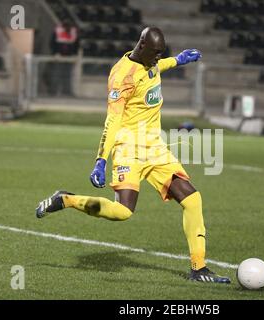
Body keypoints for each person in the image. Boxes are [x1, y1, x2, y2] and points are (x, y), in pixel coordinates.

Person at [36, 27, 231, 284]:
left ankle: (199, 268)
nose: (159, 57)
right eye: (156, 53)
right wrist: (100, 161)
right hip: (129, 147)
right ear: (142, 47)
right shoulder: (121, 77)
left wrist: (179, 59)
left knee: (193, 200)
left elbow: (156, 68)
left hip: (155, 148)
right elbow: (112, 122)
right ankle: (67, 199)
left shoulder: (150, 61)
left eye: (162, 53)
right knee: (123, 212)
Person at [46, 19, 79, 96]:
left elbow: (76, 44)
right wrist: (55, 53)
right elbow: (52, 43)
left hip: (69, 57)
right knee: (56, 74)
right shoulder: (57, 31)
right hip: (58, 57)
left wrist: (74, 54)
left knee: (68, 75)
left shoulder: (73, 32)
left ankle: (67, 92)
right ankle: (53, 91)